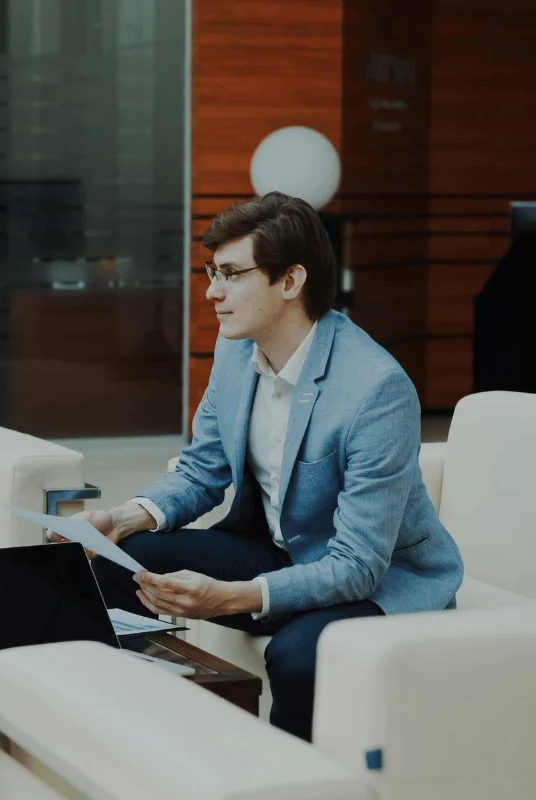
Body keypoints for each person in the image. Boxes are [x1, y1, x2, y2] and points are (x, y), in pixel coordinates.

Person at [71, 192, 464, 740]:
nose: (212, 291)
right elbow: (202, 470)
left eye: (230, 274)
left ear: (289, 281)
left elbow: (358, 565)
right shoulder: (237, 349)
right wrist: (126, 516)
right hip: (281, 548)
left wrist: (234, 595)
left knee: (300, 656)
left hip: (378, 581)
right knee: (122, 558)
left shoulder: (375, 388)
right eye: (212, 272)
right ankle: (142, 734)